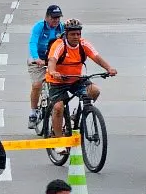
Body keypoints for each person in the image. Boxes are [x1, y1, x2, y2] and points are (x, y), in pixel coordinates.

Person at [45, 18, 117, 151]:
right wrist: (54, 72)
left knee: (94, 91)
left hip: (75, 79)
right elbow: (52, 60)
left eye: (78, 34)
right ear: (66, 34)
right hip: (57, 81)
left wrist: (109, 68)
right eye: (73, 34)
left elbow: (96, 57)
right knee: (59, 107)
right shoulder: (59, 44)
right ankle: (59, 140)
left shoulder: (84, 44)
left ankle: (74, 116)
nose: (76, 37)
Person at [28, 5, 65, 129]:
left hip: (54, 60)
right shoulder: (39, 27)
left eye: (58, 18)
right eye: (53, 18)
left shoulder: (62, 28)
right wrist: (36, 58)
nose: (56, 21)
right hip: (39, 60)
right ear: (47, 17)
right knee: (37, 85)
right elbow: (33, 42)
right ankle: (33, 112)